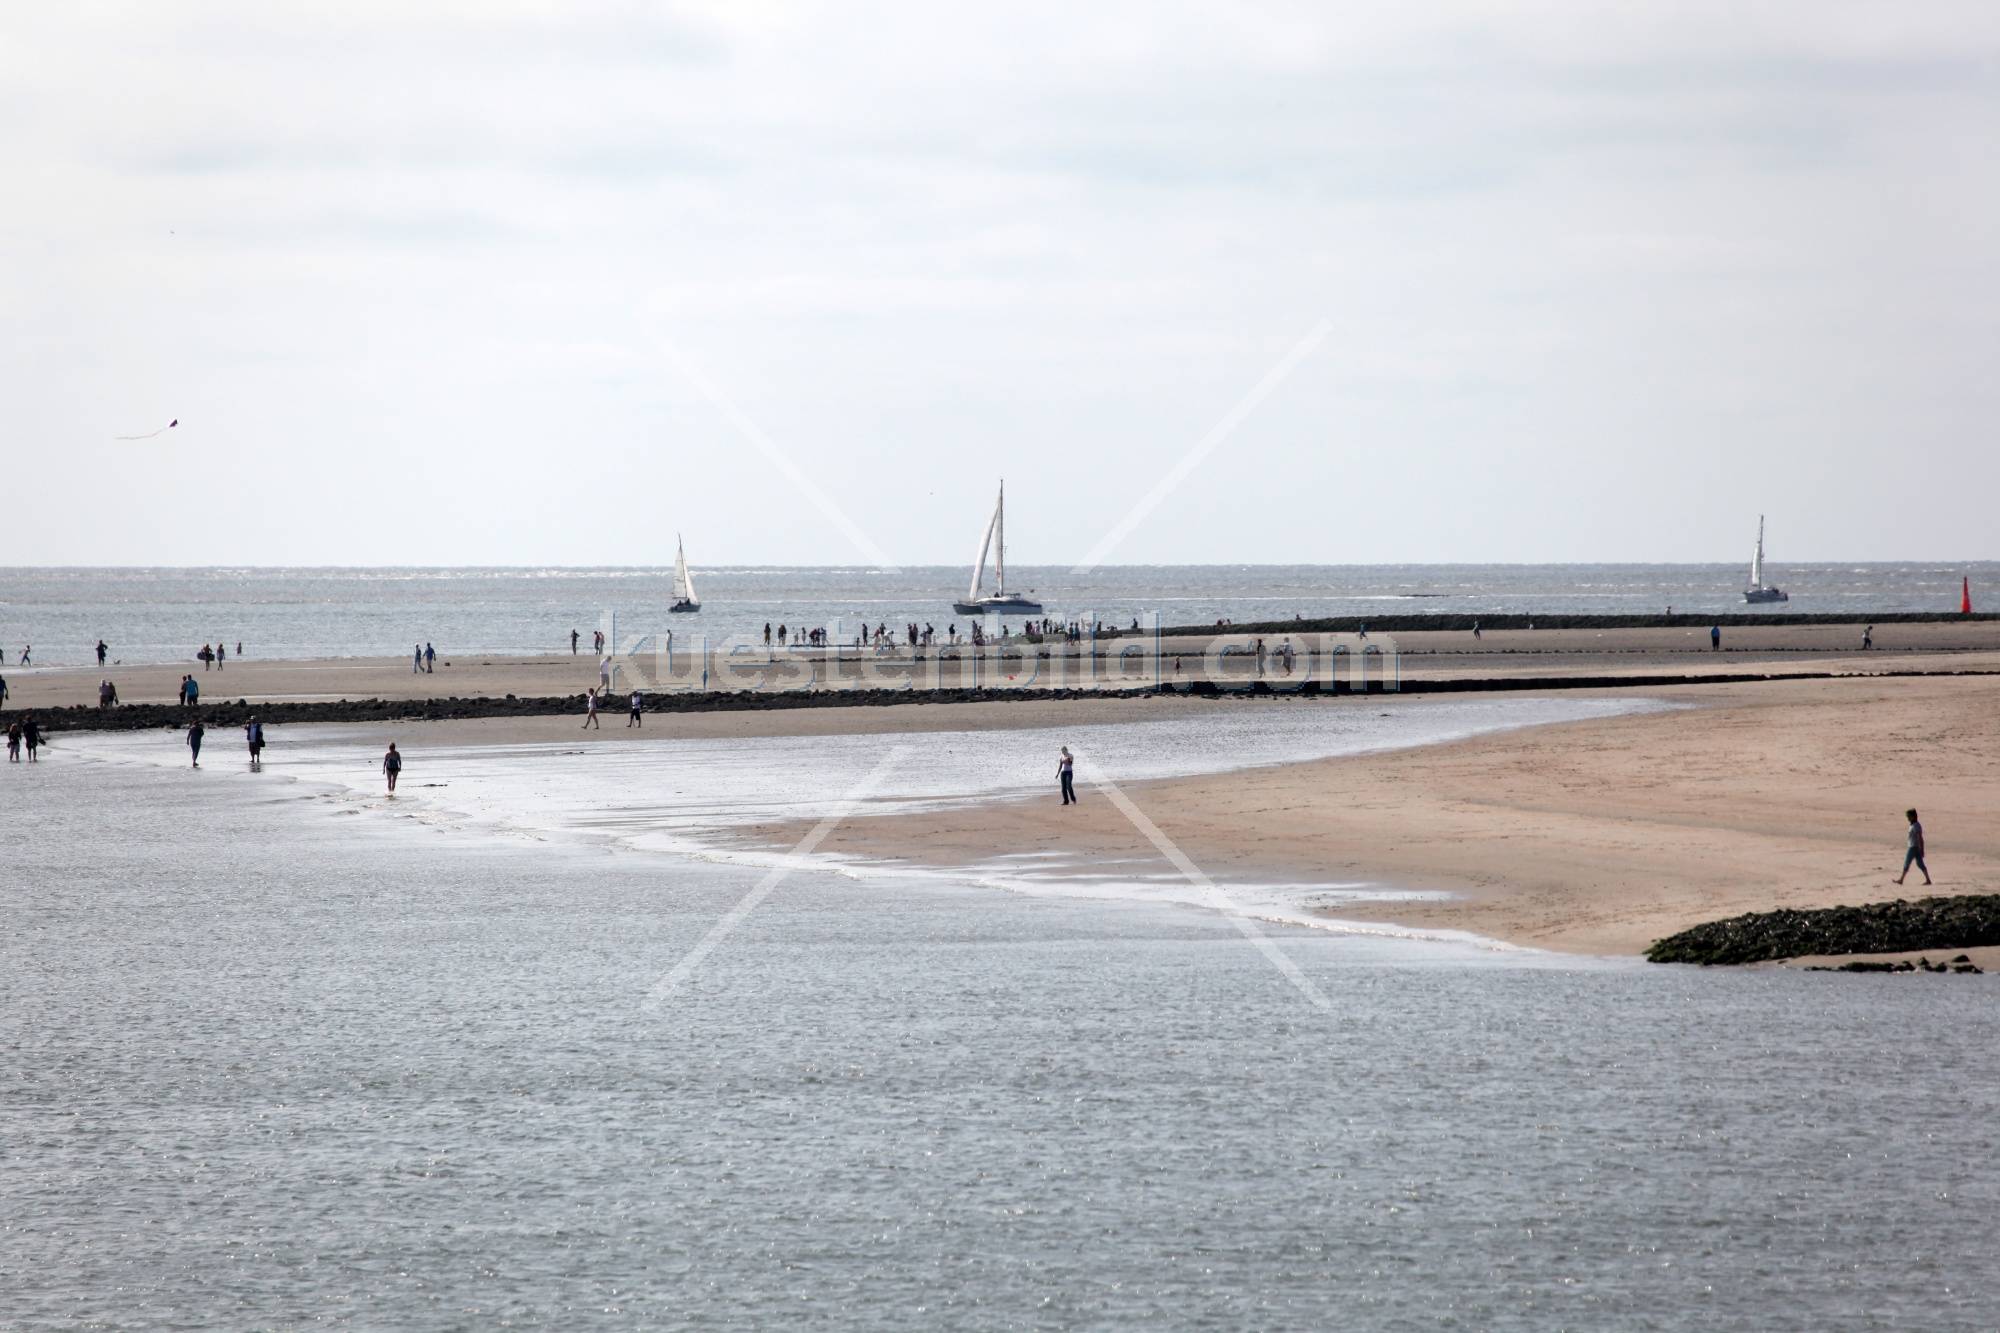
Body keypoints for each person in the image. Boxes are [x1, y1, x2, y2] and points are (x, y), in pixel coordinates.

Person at [1895, 809, 1931, 886]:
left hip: (1913, 847)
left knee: (1907, 863)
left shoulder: (1916, 826)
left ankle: (1901, 880)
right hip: (1915, 847)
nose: (1907, 818)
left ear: (1913, 817)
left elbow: (1920, 838)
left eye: (1908, 816)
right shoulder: (1913, 825)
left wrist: (1922, 849)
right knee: (1920, 864)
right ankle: (1928, 880)